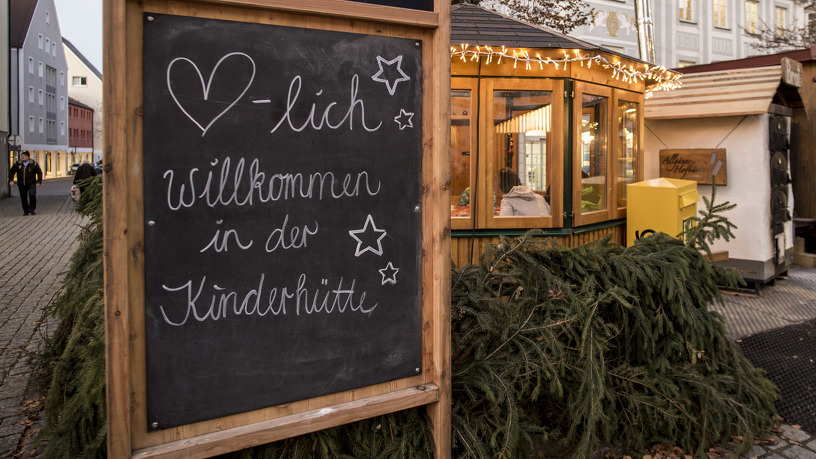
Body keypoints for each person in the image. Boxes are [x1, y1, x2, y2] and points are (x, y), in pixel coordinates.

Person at [8, 151, 43, 216]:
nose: (22, 157)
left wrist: (39, 181)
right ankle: (26, 210)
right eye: (22, 156)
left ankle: (32, 209)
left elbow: (39, 172)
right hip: (21, 183)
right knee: (23, 197)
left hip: (31, 183)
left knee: (32, 195)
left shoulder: (33, 163)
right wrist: (11, 180)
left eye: (24, 156)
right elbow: (11, 172)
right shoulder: (18, 164)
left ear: (28, 156)